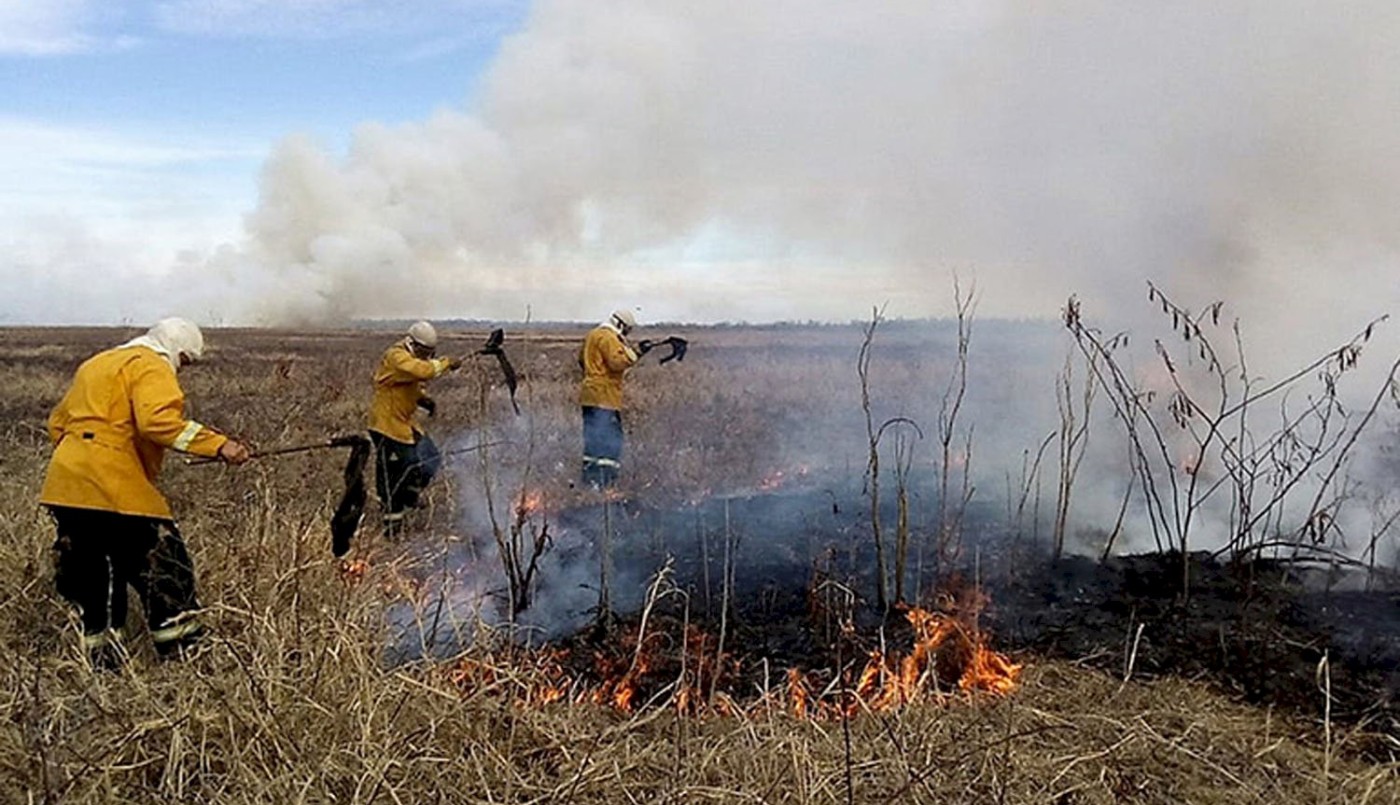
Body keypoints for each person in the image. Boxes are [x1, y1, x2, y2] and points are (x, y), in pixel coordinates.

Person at [38, 317, 252, 667]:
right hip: (111, 485)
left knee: (96, 577)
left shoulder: (97, 364)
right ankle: (185, 657)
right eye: (185, 362)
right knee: (165, 566)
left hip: (65, 485)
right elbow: (158, 422)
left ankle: (102, 664)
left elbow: (57, 424)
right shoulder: (152, 366)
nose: (181, 370)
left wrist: (81, 457)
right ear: (177, 350)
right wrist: (219, 445)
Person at [368, 321, 461, 533]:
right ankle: (392, 523)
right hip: (386, 426)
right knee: (400, 470)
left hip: (405, 424)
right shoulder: (396, 356)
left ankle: (409, 497)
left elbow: (409, 385)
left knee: (431, 459)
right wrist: (445, 363)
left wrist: (424, 400)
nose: (425, 356)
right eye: (423, 351)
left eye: (429, 352)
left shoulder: (409, 359)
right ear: (412, 343)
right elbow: (421, 371)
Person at [578, 309, 651, 488]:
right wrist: (637, 353)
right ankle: (605, 482)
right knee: (611, 440)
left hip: (589, 395)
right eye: (627, 330)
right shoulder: (609, 338)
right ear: (620, 325)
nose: (627, 333)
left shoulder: (593, 335)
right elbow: (616, 363)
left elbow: (581, 359)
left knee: (592, 440)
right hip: (604, 397)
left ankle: (590, 482)